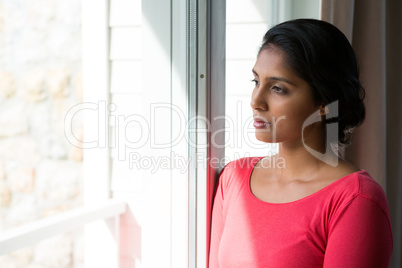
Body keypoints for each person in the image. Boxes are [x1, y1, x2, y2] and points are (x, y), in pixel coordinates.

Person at [209, 19, 393, 268]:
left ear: (324, 101)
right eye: (256, 82)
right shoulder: (234, 178)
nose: (256, 101)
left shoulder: (355, 199)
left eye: (277, 88)